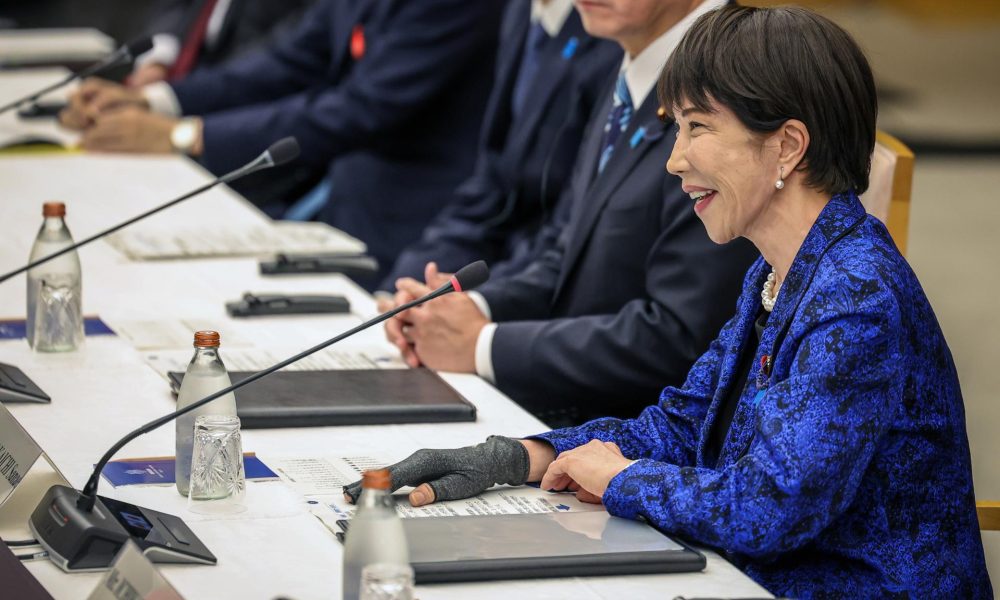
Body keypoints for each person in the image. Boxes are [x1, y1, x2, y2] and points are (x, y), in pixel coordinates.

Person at [349, 6, 993, 597]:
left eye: (698, 128)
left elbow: (769, 510)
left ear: (788, 146)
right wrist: (520, 455)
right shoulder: (779, 273)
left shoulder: (855, 296)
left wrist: (621, 479)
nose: (674, 160)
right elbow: (682, 426)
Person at [386, 0, 757, 425]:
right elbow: (567, 248)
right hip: (583, 421)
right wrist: (464, 310)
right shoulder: (635, 65)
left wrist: (482, 344)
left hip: (652, 440)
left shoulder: (730, 78)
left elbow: (681, 335)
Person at [58, 0, 505, 285]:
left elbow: (360, 109)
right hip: (343, 207)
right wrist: (154, 101)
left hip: (413, 230)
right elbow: (286, 64)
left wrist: (184, 134)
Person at [379, 0, 620, 290]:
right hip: (506, 258)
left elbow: (565, 228)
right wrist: (407, 283)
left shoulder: (608, 30)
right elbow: (493, 178)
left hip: (546, 273)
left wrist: (482, 302)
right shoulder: (521, 11)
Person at [130, 0, 316, 86]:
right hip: (174, 65)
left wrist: (180, 95)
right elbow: (174, 6)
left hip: (237, 90)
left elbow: (279, 50)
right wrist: (158, 59)